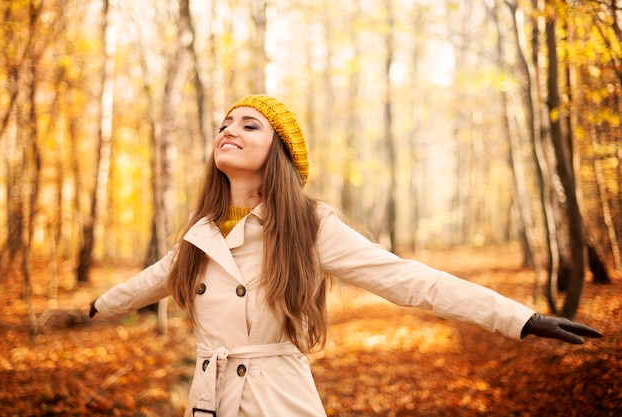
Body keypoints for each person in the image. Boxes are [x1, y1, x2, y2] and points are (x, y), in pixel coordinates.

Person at [89, 94, 602, 417]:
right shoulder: (199, 234)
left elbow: (411, 280)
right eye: (226, 122)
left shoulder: (308, 227)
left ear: (280, 153)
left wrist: (521, 318)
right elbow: (147, 284)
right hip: (207, 398)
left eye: (250, 125)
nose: (230, 129)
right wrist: (93, 309)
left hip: (277, 400)